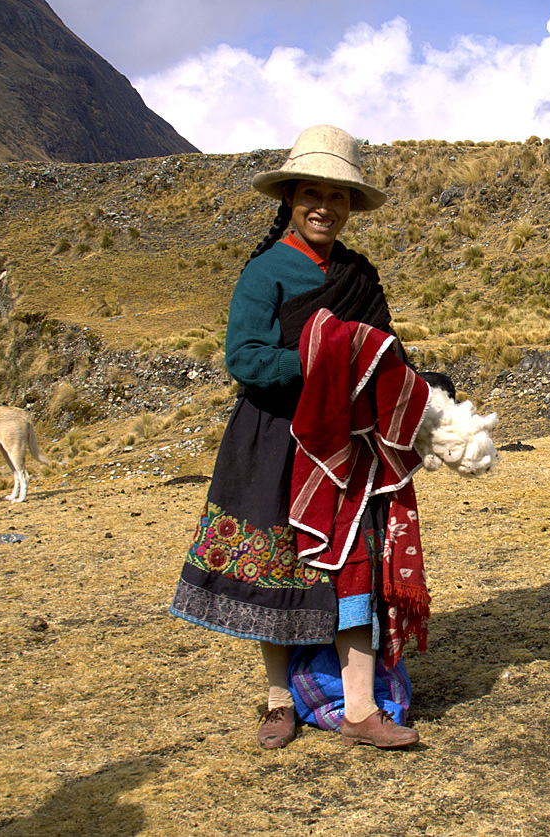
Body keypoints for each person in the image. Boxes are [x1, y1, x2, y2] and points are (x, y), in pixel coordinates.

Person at [169, 124, 427, 750]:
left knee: (355, 564)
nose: (325, 207)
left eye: (338, 197)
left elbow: (380, 353)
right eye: (312, 193)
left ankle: (361, 708)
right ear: (289, 198)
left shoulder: (359, 273)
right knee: (283, 565)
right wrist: (321, 362)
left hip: (349, 443)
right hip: (278, 438)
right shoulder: (265, 273)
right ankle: (279, 701)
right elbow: (246, 359)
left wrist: (415, 387)